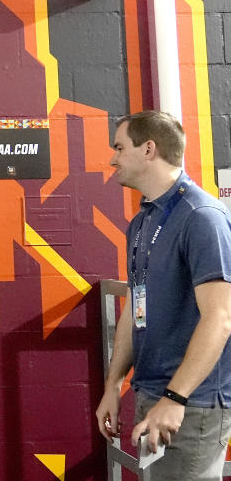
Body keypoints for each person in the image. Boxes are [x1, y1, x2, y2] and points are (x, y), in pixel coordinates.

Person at [95, 110, 231, 480]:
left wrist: (176, 398)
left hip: (191, 404)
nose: (113, 158)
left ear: (149, 149)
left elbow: (220, 317)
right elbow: (134, 308)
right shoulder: (141, 223)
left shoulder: (202, 217)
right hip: (152, 396)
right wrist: (113, 386)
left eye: (120, 147)